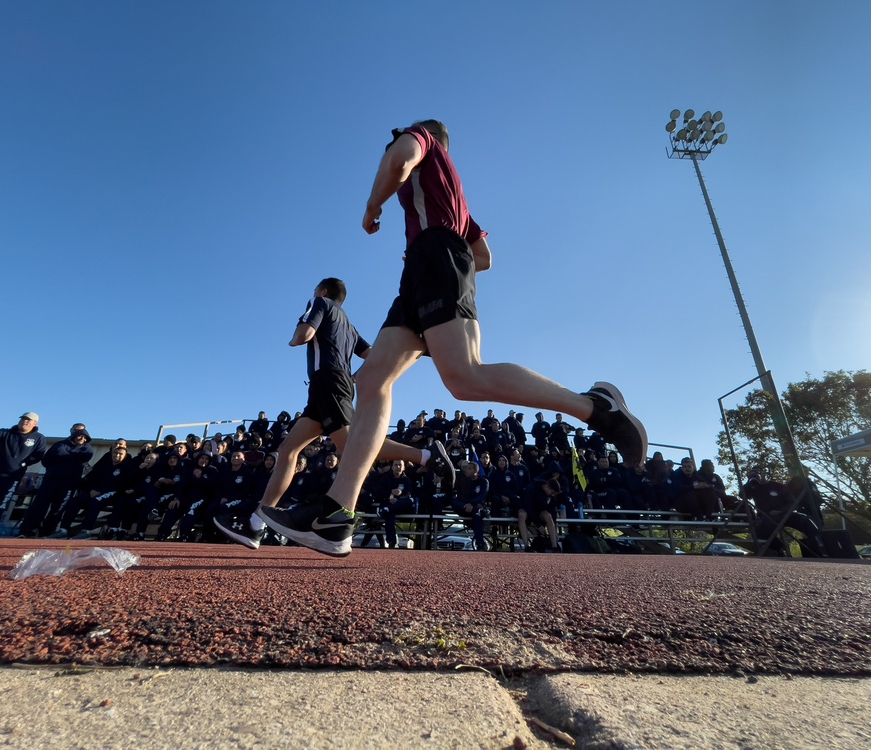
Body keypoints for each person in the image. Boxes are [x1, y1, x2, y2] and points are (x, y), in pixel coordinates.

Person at [262, 120, 646, 557]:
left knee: (465, 378)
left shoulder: (419, 140)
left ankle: (598, 409)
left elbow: (398, 162)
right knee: (371, 382)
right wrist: (449, 261)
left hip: (435, 258)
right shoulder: (455, 200)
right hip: (425, 269)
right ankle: (337, 514)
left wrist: (373, 206)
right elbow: (485, 257)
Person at [215, 278, 455, 549]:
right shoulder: (349, 326)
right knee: (288, 449)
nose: (313, 294)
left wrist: (296, 337)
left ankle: (425, 456)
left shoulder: (320, 303)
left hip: (328, 382)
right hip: (327, 386)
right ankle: (256, 525)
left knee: (354, 447)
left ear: (324, 291)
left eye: (315, 291)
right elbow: (371, 353)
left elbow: (303, 335)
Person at [18, 426, 94, 537]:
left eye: (85, 437)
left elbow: (85, 456)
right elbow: (48, 458)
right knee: (39, 505)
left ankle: (47, 531)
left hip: (70, 483)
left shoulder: (87, 448)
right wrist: (73, 457)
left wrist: (65, 456)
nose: (82, 439)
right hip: (51, 480)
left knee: (58, 509)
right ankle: (28, 529)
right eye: (79, 436)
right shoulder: (60, 444)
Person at [740, 468, 826, 557]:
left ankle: (819, 549)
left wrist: (781, 511)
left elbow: (792, 502)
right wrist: (750, 480)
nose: (759, 476)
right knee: (763, 528)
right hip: (767, 516)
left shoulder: (778, 486)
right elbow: (742, 495)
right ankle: (781, 549)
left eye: (759, 473)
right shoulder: (754, 488)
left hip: (785, 514)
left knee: (806, 521)